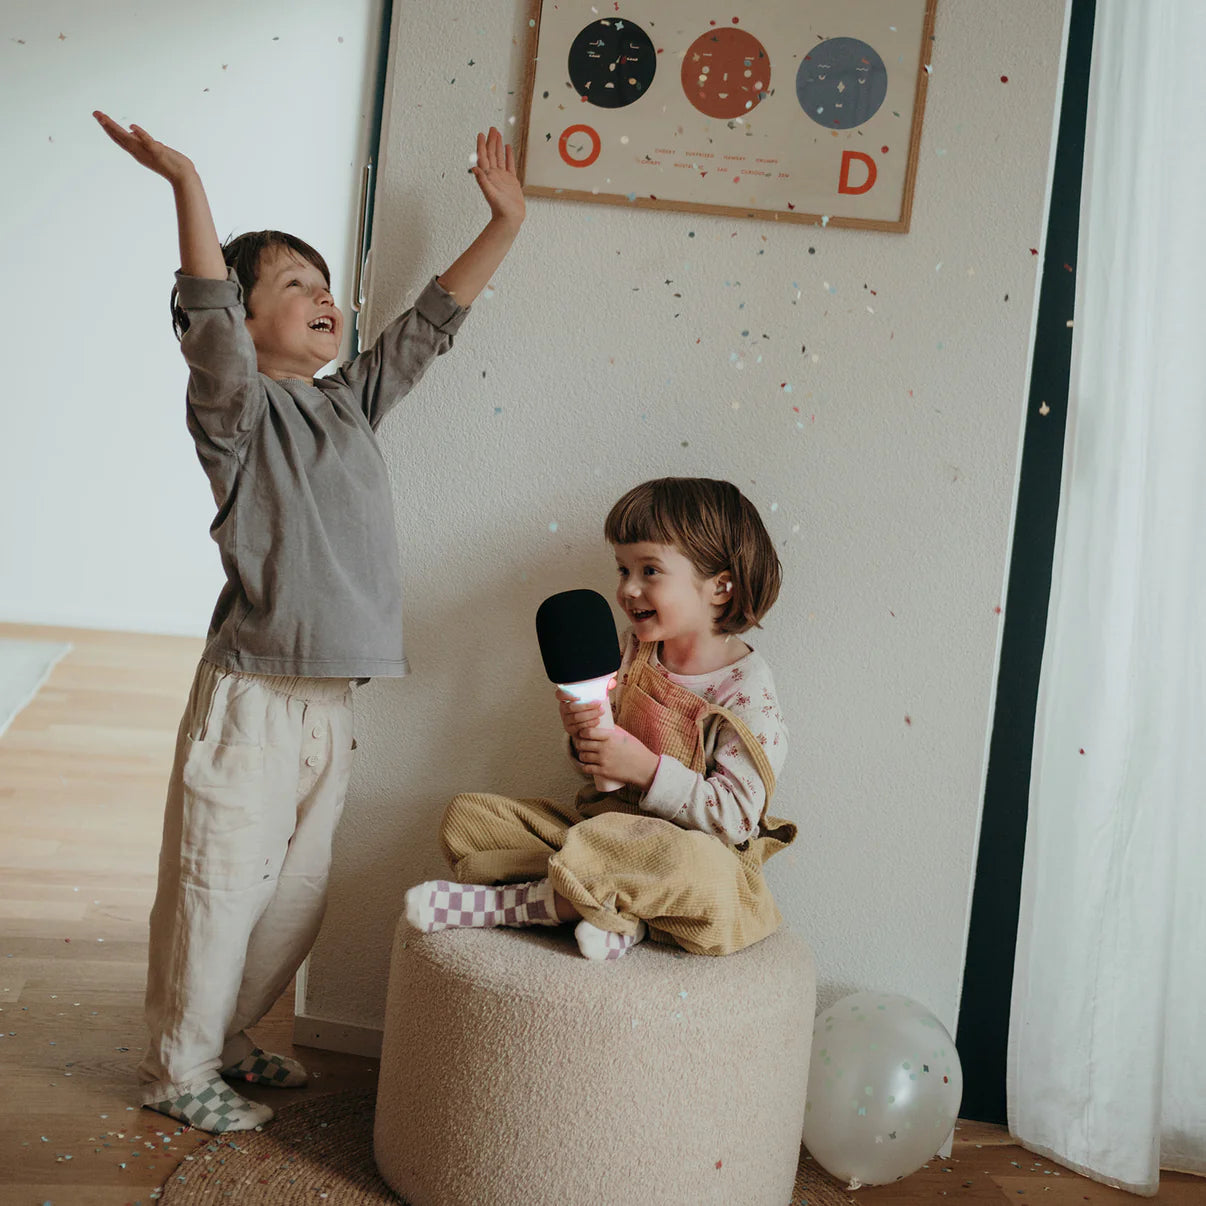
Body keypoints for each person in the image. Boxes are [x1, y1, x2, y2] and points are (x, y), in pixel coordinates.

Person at [93, 110, 525, 1132]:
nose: (322, 295)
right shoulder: (237, 412)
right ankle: (175, 1066)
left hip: (331, 697)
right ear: (241, 326)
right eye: (292, 285)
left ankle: (232, 1036)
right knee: (219, 885)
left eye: (324, 283)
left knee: (295, 897)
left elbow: (431, 322)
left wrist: (504, 223)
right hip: (250, 699)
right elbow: (204, 312)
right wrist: (187, 181)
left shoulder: (349, 402)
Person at [406, 477, 797, 961]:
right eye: (623, 569)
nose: (627, 589)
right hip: (603, 832)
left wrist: (645, 770)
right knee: (469, 818)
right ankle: (616, 912)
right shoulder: (636, 649)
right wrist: (584, 738)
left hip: (684, 854)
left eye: (649, 570)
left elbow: (736, 820)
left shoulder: (747, 689)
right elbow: (601, 772)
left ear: (720, 587)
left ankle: (519, 904)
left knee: (700, 870)